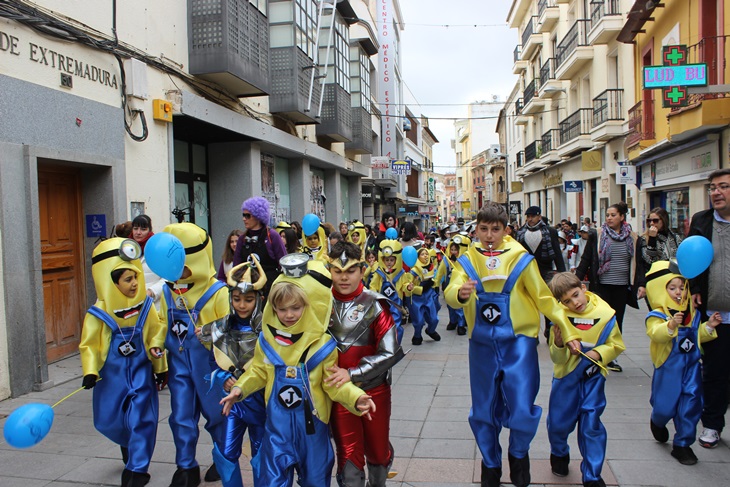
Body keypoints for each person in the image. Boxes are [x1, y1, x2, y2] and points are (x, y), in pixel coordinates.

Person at [444, 201, 580, 487]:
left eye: (495, 229)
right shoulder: (467, 260)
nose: (489, 235)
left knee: (521, 407)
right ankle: (490, 467)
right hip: (481, 345)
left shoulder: (521, 259)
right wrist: (461, 293)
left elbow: (544, 298)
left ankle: (518, 456)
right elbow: (451, 290)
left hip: (519, 343)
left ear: (506, 230)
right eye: (484, 229)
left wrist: (566, 330)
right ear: (476, 229)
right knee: (483, 409)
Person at [219, 255, 376, 487]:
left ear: (309, 306)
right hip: (277, 431)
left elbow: (333, 382)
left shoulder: (322, 346)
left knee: (315, 480)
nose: (288, 315)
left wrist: (356, 397)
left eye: (295, 308)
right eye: (281, 309)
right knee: (272, 481)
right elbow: (260, 372)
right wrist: (240, 389)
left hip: (312, 434)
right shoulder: (267, 341)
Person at [79, 238, 167, 487]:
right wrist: (90, 371)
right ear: (110, 281)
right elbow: (89, 344)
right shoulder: (97, 314)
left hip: (141, 374)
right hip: (111, 378)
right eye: (127, 280)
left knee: (142, 418)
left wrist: (160, 368)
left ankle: (138, 468)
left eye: (136, 277)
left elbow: (155, 335)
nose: (135, 284)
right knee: (107, 420)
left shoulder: (146, 307)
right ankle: (129, 444)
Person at [326, 242, 405, 487]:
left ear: (361, 270)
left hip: (375, 390)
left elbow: (391, 351)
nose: (343, 277)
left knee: (378, 456)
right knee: (349, 461)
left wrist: (354, 373)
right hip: (339, 392)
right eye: (337, 271)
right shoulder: (320, 302)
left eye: (350, 271)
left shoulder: (375, 304)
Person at [161, 223, 231, 487]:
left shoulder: (218, 292)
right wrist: (157, 353)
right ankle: (185, 465)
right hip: (178, 365)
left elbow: (229, 329)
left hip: (210, 366)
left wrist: (210, 334)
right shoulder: (167, 291)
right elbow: (158, 324)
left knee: (218, 415)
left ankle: (224, 457)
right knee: (180, 415)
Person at [546, 273, 625, 487]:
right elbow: (556, 357)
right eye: (567, 301)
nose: (575, 303)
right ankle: (559, 453)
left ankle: (592, 475)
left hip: (593, 379)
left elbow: (616, 344)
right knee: (558, 425)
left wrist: (598, 354)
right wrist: (560, 344)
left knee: (592, 426)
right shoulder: (560, 317)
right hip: (565, 379)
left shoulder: (605, 314)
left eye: (576, 295)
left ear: (583, 287)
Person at [644, 260, 720, 465]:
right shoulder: (657, 315)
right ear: (660, 289)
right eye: (672, 288)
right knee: (665, 406)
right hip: (668, 369)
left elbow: (696, 336)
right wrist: (669, 325)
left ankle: (683, 444)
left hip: (692, 368)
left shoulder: (693, 314)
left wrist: (709, 327)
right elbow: (655, 334)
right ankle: (657, 421)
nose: (679, 293)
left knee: (692, 404)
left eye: (682, 287)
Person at [201, 259, 268, 487]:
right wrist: (223, 378)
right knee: (226, 453)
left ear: (258, 299)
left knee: (261, 454)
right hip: (233, 405)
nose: (241, 305)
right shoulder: (220, 328)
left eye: (248, 300)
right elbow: (213, 362)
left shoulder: (267, 331)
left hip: (260, 403)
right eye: (237, 299)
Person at [688, 168, 730, 449]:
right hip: (716, 314)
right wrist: (695, 289)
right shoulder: (701, 221)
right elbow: (692, 259)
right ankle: (712, 424)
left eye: (723, 186)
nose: (716, 192)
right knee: (715, 372)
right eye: (712, 187)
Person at [575, 202, 640, 372]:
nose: (610, 218)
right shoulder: (598, 235)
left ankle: (610, 356)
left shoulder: (632, 237)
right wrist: (575, 281)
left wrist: (640, 285)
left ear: (622, 217)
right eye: (608, 215)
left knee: (616, 323)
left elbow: (637, 263)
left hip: (622, 287)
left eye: (613, 215)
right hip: (601, 286)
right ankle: (596, 353)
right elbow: (586, 259)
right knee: (601, 321)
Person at [232, 196, 287, 297]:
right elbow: (236, 267)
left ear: (258, 216)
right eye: (243, 215)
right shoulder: (242, 239)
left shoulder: (272, 236)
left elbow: (284, 263)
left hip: (270, 289)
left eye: (247, 216)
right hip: (248, 290)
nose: (244, 219)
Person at [635, 207, 683, 299]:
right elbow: (649, 260)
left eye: (655, 220)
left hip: (674, 281)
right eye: (649, 221)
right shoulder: (644, 239)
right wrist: (652, 238)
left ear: (663, 221)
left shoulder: (674, 237)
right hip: (655, 281)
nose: (652, 223)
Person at [369, 239, 408, 344]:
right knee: (381, 324)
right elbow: (373, 286)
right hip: (382, 303)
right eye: (387, 260)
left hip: (396, 304)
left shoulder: (401, 274)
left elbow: (404, 285)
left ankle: (395, 345)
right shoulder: (379, 273)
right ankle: (383, 345)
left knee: (396, 324)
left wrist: (408, 287)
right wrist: (373, 295)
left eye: (392, 260)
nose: (389, 263)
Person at [516, 206, 565, 280]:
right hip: (526, 271)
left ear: (539, 217)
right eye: (528, 216)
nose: (530, 219)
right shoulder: (521, 232)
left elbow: (557, 254)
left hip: (545, 272)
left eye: (533, 216)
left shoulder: (550, 232)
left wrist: (562, 274)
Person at [406, 247, 441, 345]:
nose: (425, 255)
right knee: (419, 321)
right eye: (422, 254)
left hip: (429, 296)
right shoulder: (413, 271)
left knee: (434, 319)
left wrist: (434, 283)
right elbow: (407, 286)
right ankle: (417, 335)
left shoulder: (431, 267)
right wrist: (418, 288)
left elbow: (436, 280)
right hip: (417, 298)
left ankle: (430, 330)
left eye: (426, 254)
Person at [438, 235, 470, 336]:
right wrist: (435, 281)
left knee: (459, 306)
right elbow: (440, 272)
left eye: (455, 250)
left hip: (460, 285)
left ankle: (461, 324)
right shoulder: (446, 260)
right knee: (450, 304)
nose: (453, 252)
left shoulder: (465, 261)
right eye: (451, 249)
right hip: (448, 285)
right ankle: (453, 321)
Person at [131, 214, 165, 308]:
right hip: (131, 306)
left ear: (149, 230)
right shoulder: (126, 249)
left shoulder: (158, 249)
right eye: (135, 228)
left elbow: (168, 278)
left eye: (143, 229)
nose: (138, 232)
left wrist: (151, 292)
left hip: (154, 305)